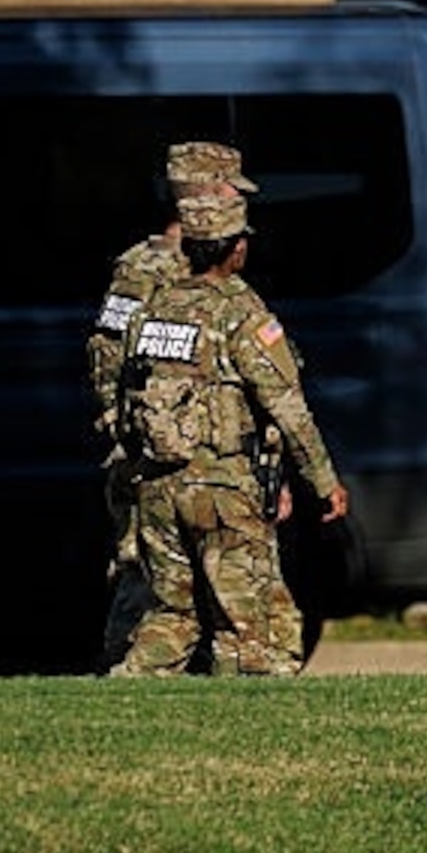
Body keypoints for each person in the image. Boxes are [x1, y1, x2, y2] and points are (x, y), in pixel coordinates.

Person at [108, 192, 349, 677]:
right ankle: (245, 728)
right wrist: (323, 482)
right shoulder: (241, 311)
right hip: (222, 488)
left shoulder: (152, 310)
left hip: (157, 486)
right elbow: (287, 406)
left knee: (171, 616)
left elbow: (124, 396)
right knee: (247, 628)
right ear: (236, 249)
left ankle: (127, 693)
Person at [86, 140, 258, 668]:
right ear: (207, 192)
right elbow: (112, 362)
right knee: (152, 584)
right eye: (231, 188)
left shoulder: (139, 266)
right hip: (162, 454)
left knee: (167, 583)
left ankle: (140, 678)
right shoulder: (157, 269)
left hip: (156, 448)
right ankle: (129, 681)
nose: (238, 198)